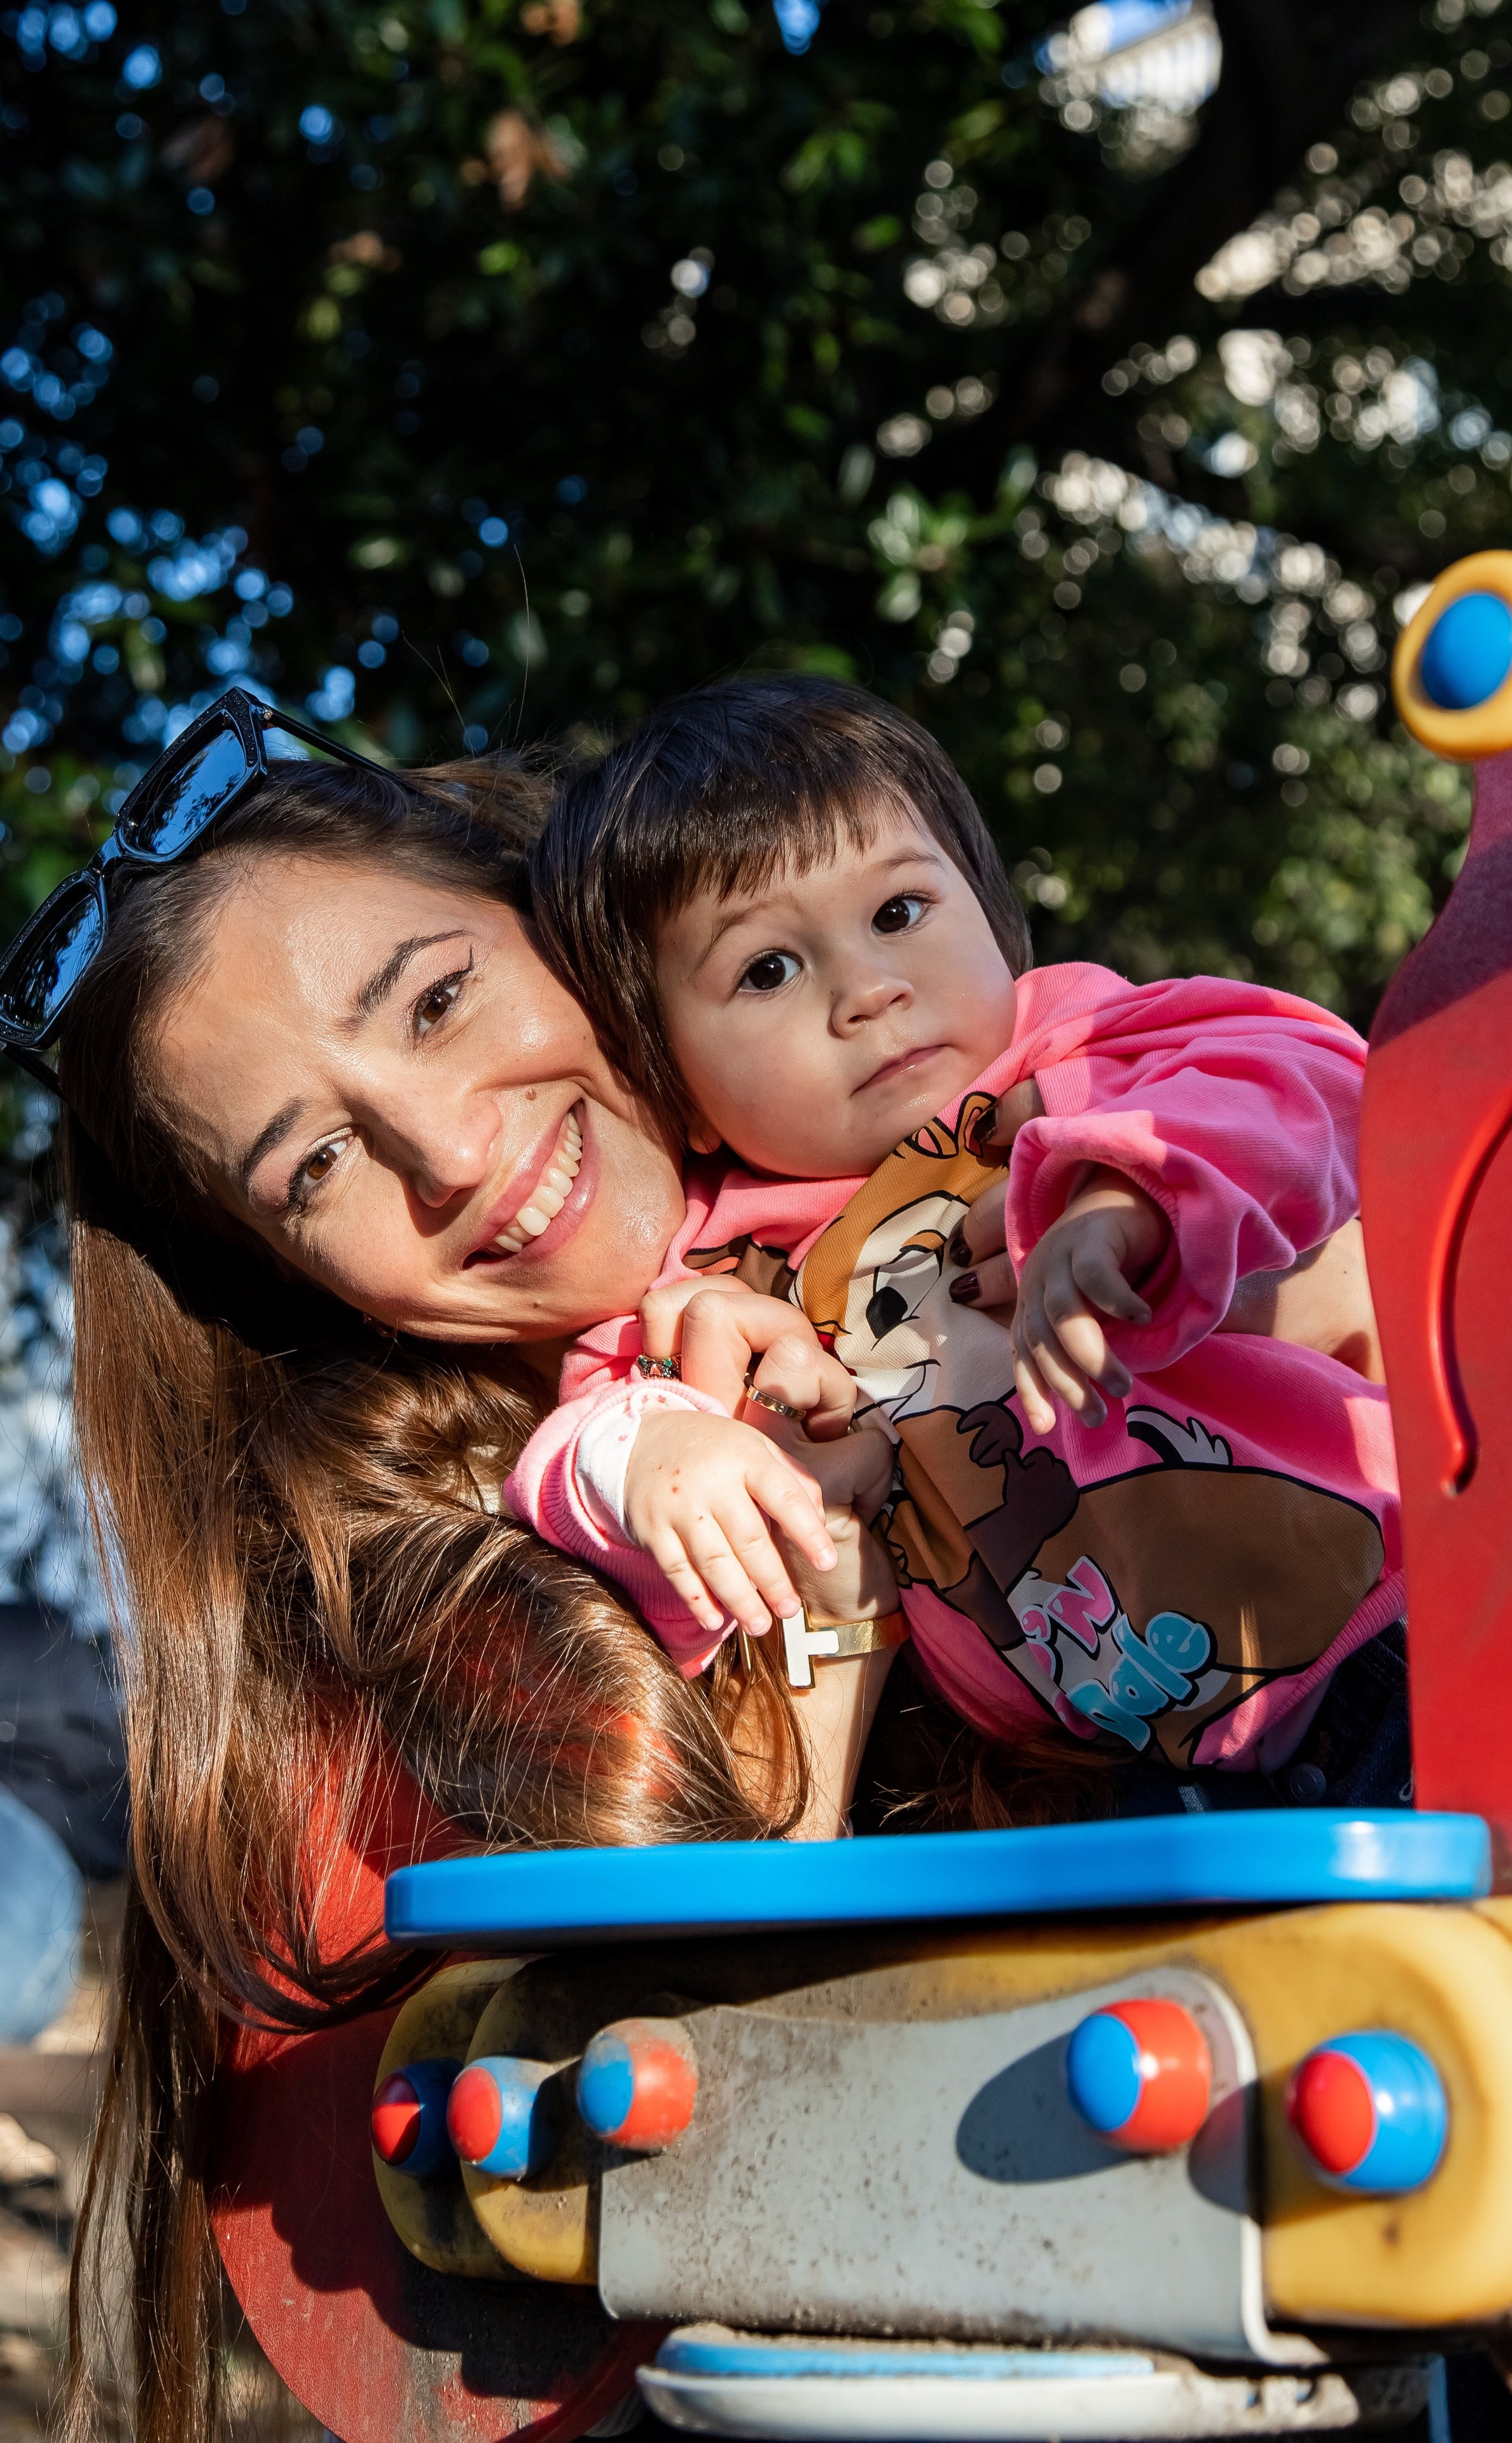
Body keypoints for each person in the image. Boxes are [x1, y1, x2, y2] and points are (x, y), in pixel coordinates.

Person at [0, 695, 884, 2443]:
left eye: (439, 997)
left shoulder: (1029, 1121)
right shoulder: (432, 1652)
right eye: (319, 1164)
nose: (457, 1154)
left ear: (560, 906)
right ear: (287, 1274)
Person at [516, 676, 1403, 1788]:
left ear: (990, 911)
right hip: (1110, 1771)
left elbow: (1303, 1073)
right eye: (767, 970)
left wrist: (1124, 1190)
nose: (868, 991)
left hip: (1389, 1622)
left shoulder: (1076, 1045)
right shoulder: (719, 1266)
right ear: (675, 1085)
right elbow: (581, 1428)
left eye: (897, 913)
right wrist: (650, 1450)